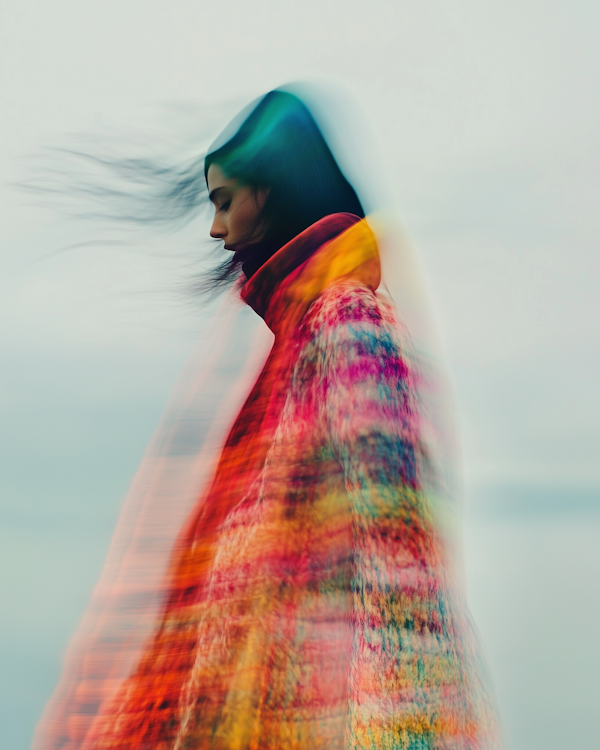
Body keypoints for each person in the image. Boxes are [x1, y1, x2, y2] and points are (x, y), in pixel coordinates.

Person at [33, 88, 501, 750]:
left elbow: (397, 559)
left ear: (273, 193)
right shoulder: (296, 344)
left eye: (224, 201)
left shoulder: (346, 321)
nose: (215, 229)